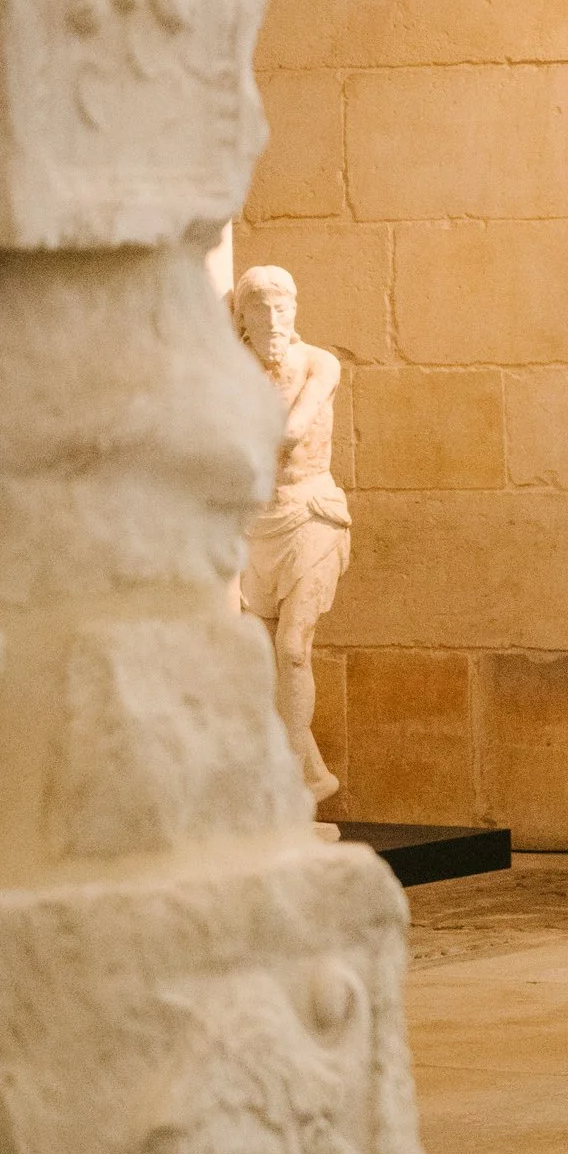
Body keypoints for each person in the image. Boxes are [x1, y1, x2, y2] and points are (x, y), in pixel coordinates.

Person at [231, 265, 352, 805]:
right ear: (243, 322)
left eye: (283, 310)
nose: (275, 322)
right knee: (258, 655)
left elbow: (289, 431)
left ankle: (295, 771)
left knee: (293, 647)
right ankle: (298, 774)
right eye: (261, 313)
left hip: (309, 513)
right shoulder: (232, 373)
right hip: (253, 525)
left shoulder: (319, 364)